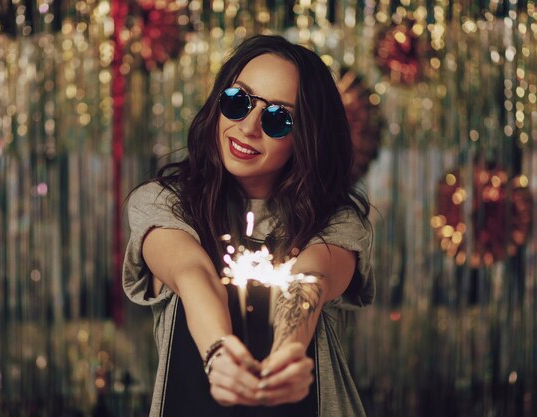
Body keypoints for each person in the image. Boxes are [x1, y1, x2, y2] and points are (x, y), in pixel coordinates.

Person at [123, 34, 374, 417]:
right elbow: (193, 275)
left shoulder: (338, 220)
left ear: (306, 136)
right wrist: (219, 352)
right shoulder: (162, 203)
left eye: (278, 118)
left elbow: (309, 281)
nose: (248, 127)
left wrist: (289, 353)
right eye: (238, 101)